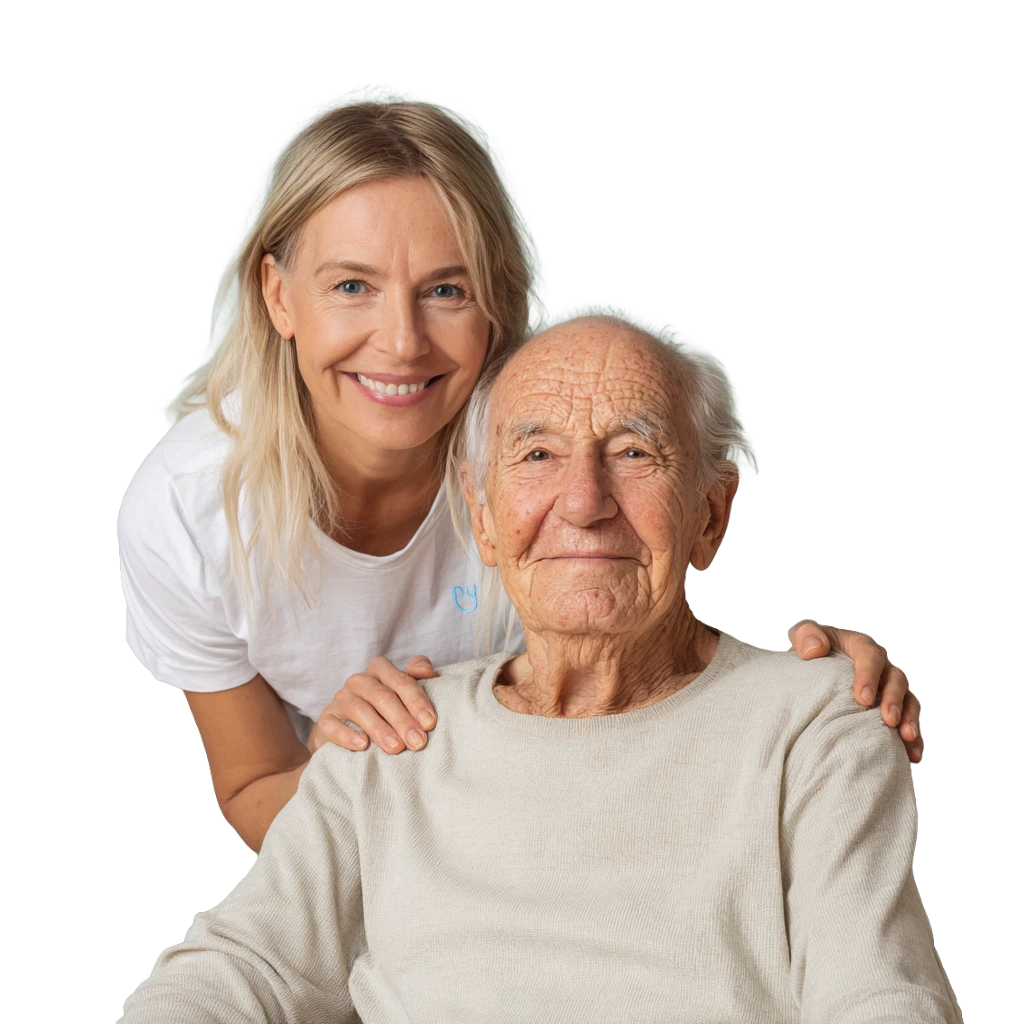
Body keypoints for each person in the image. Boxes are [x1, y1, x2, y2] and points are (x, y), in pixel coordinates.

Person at [117, 100, 924, 855]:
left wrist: (814, 696)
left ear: (496, 304)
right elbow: (258, 786)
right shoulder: (188, 516)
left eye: (445, 290)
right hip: (390, 854)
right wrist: (335, 768)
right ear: (278, 296)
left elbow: (647, 673)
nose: (400, 343)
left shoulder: (552, 463)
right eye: (352, 286)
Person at [119, 315, 962, 1024]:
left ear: (712, 512)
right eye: (536, 457)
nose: (585, 500)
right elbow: (240, 971)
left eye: (633, 452)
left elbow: (880, 996)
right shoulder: (390, 737)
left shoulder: (815, 725)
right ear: (483, 524)